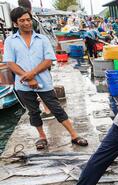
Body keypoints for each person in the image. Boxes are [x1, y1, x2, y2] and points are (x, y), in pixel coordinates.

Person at [4, 7, 88, 150]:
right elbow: (10, 63)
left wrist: (32, 74)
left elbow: (48, 60)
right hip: (23, 84)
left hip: (44, 81)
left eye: (28, 19)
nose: (26, 23)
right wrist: (29, 79)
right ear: (15, 23)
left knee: (56, 109)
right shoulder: (10, 41)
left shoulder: (42, 39)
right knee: (33, 112)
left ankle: (74, 135)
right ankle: (42, 137)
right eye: (22, 20)